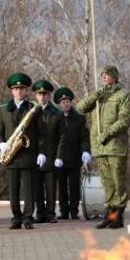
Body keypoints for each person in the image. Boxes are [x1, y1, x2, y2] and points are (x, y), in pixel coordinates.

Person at [77, 65, 130, 229]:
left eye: (107, 75)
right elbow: (80, 108)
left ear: (115, 77)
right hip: (100, 147)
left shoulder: (123, 95)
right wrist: (95, 95)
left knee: (117, 182)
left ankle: (118, 215)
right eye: (102, 75)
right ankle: (109, 214)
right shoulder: (99, 96)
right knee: (107, 182)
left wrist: (107, 134)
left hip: (114, 146)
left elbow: (124, 120)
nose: (104, 77)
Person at [0, 72, 46, 230]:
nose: (19, 92)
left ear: (26, 91)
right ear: (11, 91)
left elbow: (41, 132)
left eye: (22, 89)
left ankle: (28, 217)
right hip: (11, 155)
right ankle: (16, 217)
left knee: (29, 190)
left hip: (28, 155)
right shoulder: (3, 109)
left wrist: (41, 152)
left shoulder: (33, 108)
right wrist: (0, 143)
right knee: (14, 190)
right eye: (16, 89)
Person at [54, 87, 91, 220]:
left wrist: (86, 151)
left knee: (74, 186)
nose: (66, 104)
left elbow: (84, 137)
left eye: (68, 101)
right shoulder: (56, 118)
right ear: (59, 104)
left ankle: (74, 210)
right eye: (63, 102)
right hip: (60, 158)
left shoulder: (79, 118)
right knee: (62, 186)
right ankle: (64, 211)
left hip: (75, 157)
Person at [32, 80, 64, 224]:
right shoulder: (31, 112)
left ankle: (51, 213)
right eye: (39, 94)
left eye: (45, 94)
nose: (42, 97)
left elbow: (63, 137)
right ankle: (40, 212)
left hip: (51, 155)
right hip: (34, 155)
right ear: (35, 95)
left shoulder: (57, 114)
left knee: (51, 187)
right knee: (37, 186)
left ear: (49, 95)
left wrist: (59, 156)